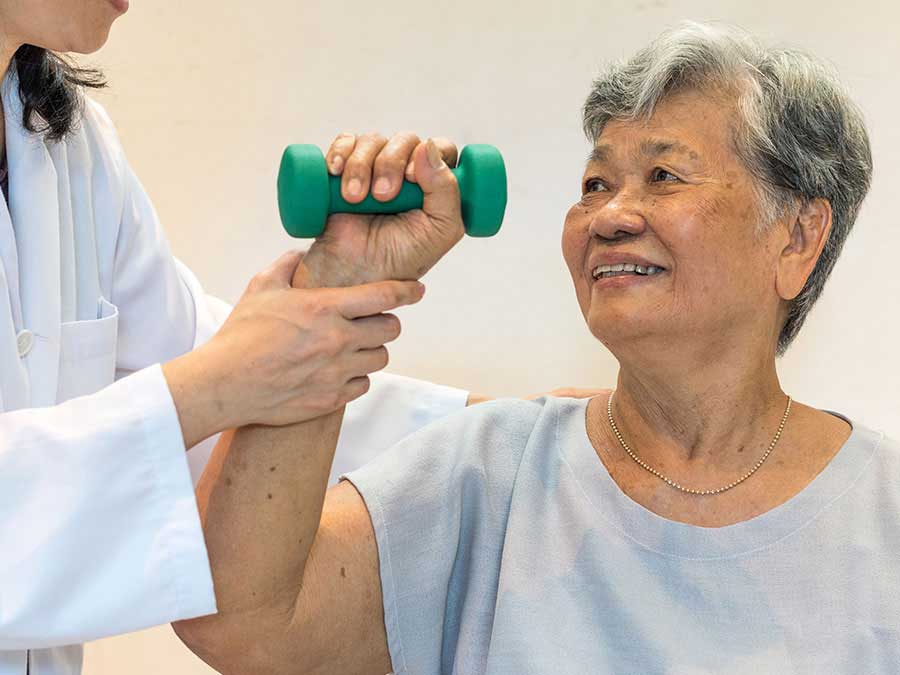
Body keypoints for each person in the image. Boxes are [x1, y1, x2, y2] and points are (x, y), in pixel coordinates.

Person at [174, 21, 899, 675]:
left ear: (797, 237)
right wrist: (339, 285)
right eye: (596, 182)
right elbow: (241, 626)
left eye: (663, 176)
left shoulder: (882, 511)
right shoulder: (487, 473)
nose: (609, 215)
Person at [0, 3, 485, 675]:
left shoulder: (70, 147)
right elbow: (211, 381)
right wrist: (213, 386)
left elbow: (210, 370)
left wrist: (510, 437)